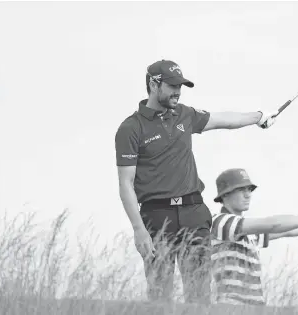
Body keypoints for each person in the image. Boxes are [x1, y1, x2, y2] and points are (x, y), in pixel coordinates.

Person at [114, 59, 279, 304]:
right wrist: (139, 230)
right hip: (157, 216)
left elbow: (224, 120)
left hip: (194, 213)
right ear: (153, 84)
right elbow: (125, 184)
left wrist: (258, 117)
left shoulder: (184, 114)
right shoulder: (131, 128)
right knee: (160, 296)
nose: (178, 92)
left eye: (180, 86)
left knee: (200, 296)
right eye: (171, 86)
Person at [210, 168, 298, 306]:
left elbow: (288, 231)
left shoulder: (248, 232)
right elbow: (273, 225)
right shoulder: (219, 222)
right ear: (225, 195)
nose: (248, 195)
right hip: (229, 308)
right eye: (241, 190)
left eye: (249, 189)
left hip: (253, 309)